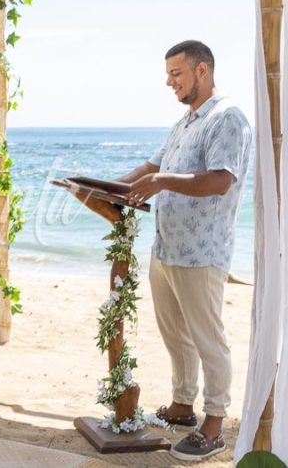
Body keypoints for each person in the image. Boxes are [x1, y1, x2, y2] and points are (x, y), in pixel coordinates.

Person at [120, 40, 251, 462]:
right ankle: (182, 405)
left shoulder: (227, 117)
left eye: (176, 73)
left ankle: (214, 425)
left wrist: (161, 184)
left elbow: (219, 180)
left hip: (201, 251)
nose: (169, 81)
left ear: (203, 70)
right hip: (167, 248)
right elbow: (152, 167)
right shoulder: (185, 122)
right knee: (175, 334)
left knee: (208, 339)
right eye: (168, 74)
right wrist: (107, 187)